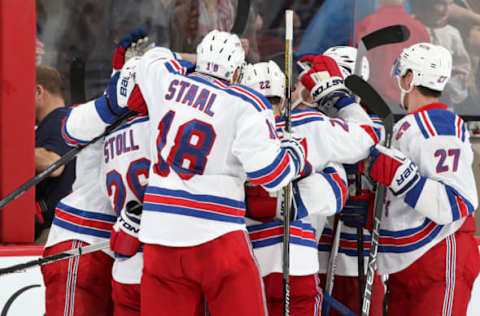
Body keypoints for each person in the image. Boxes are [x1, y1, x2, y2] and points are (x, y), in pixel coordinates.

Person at [63, 29, 307, 316]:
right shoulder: (247, 102)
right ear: (239, 72)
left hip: (160, 236)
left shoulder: (164, 82)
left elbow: (154, 57)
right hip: (217, 234)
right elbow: (272, 175)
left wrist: (193, 62)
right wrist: (294, 152)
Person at [368, 42, 480, 315]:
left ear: (410, 79)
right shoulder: (410, 125)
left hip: (439, 256)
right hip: (408, 264)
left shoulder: (438, 123)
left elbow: (456, 201)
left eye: (401, 76)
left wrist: (403, 178)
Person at [241, 60, 348, 315]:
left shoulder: (305, 131)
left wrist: (283, 203)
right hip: (278, 261)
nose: (267, 108)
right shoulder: (304, 132)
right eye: (260, 99)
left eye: (272, 99)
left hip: (270, 260)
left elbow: (337, 189)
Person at [316, 46, 385, 316]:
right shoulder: (314, 124)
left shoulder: (377, 128)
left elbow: (393, 194)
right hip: (317, 255)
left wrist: (375, 208)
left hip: (364, 259)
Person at [354, 0, 431, 106]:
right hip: (408, 106)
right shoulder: (419, 29)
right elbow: (426, 75)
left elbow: (357, 72)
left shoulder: (366, 26)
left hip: (374, 107)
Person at [35, 65, 76, 240]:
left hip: (54, 231)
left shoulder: (57, 120)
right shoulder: (71, 120)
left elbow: (53, 163)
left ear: (38, 91)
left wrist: (12, 152)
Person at [410, 0, 472, 107]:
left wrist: (461, 75)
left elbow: (462, 62)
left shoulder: (452, 33)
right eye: (441, 4)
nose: (446, 9)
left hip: (444, 96)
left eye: (450, 4)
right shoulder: (411, 29)